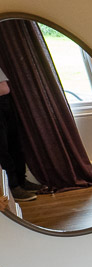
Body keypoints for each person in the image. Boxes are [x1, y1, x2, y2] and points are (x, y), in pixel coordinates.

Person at [0, 66, 38, 203]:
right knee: (2, 149)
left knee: (15, 144)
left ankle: (21, 181)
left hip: (5, 101)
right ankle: (13, 187)